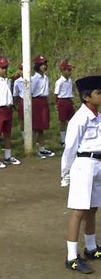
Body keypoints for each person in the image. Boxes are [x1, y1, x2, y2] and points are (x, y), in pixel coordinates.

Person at [62, 75, 101, 274]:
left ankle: (91, 247)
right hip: (83, 165)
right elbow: (70, 148)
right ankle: (71, 256)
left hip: (97, 164)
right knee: (78, 212)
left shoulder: (98, 115)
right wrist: (65, 172)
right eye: (98, 93)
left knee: (92, 208)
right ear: (87, 97)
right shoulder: (80, 118)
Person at [0, 57, 21, 168]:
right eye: (2, 68)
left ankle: (7, 156)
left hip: (8, 109)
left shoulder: (6, 80)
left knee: (7, 134)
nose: (5, 70)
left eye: (6, 67)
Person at [31, 55, 55, 159]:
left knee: (42, 127)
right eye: (41, 64)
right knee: (35, 127)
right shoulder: (34, 78)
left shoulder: (46, 77)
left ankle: (42, 148)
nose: (44, 66)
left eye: (45, 64)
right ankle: (32, 149)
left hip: (44, 101)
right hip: (36, 101)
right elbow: (30, 92)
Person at [55, 60, 76, 147]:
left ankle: (71, 138)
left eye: (70, 70)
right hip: (62, 101)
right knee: (62, 121)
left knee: (72, 120)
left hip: (69, 100)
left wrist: (72, 101)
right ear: (63, 70)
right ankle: (63, 140)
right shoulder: (59, 82)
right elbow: (56, 94)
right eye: (68, 70)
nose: (70, 72)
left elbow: (71, 91)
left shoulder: (70, 80)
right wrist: (57, 105)